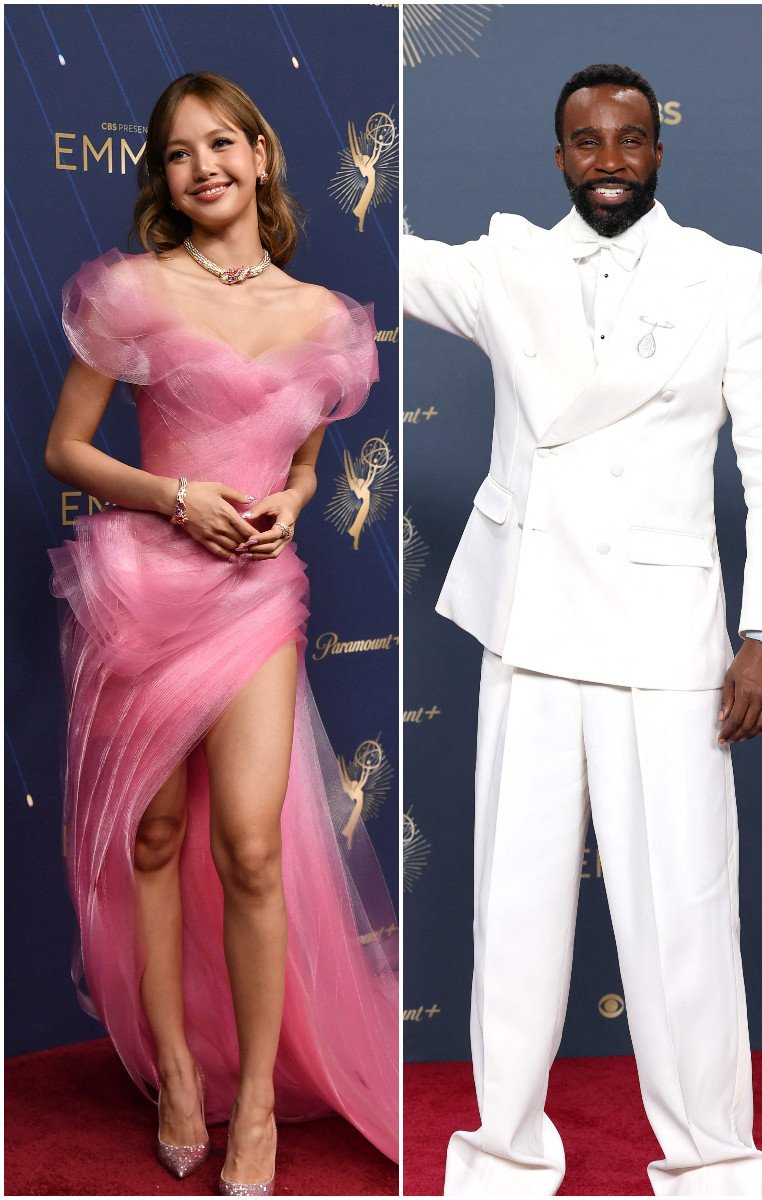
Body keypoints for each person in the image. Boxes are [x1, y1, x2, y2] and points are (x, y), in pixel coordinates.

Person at [404, 62, 762, 1197]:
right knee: (514, 914)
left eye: (630, 138)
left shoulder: (729, 279)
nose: (609, 158)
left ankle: (716, 1164)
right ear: (560, 154)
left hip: (670, 642)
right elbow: (384, 261)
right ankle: (502, 1160)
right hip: (530, 633)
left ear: (661, 149)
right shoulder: (508, 266)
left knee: (684, 919)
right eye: (587, 140)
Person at [43, 72, 399, 1194]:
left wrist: (296, 500)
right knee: (151, 840)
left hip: (255, 596)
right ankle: (181, 1078)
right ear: (165, 175)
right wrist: (173, 498)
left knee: (250, 849)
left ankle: (255, 1107)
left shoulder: (327, 317)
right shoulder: (133, 292)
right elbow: (67, 449)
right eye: (180, 152)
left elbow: (302, 450)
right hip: (143, 586)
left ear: (259, 153)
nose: (204, 166)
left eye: (222, 144)